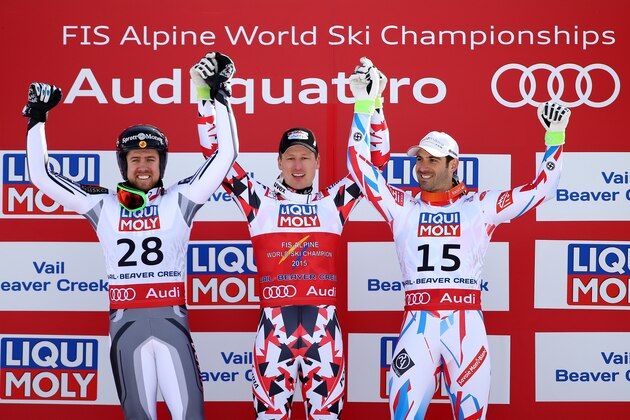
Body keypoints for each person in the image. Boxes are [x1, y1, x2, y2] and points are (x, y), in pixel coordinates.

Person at [346, 64, 571, 419]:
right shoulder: (402, 205)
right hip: (417, 324)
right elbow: (359, 168)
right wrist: (365, 105)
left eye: (432, 160)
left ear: (453, 164)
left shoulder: (480, 206)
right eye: (419, 159)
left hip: (466, 328)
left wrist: (555, 139)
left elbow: (539, 190)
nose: (422, 167)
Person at [22, 57, 238, 420]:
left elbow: (226, 155)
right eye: (135, 158)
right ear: (123, 164)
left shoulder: (180, 199)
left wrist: (216, 94)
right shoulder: (101, 204)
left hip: (171, 322)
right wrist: (36, 119)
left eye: (150, 158)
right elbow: (41, 177)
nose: (142, 165)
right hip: (126, 326)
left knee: (191, 416)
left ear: (162, 164)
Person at [192, 54, 390, 419]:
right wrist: (207, 94)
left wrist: (370, 103)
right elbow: (216, 158)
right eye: (290, 158)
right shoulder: (259, 201)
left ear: (317, 163)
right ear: (279, 162)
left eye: (305, 158)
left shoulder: (333, 202)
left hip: (325, 334)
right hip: (273, 332)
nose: (298, 165)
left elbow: (373, 166)